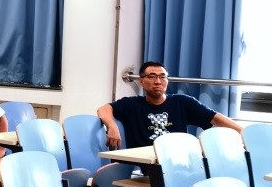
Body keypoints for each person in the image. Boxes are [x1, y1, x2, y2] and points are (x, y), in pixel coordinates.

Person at [98, 61, 243, 149]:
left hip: (180, 158)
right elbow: (104, 109)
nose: (158, 81)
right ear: (142, 81)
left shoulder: (182, 102)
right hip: (150, 162)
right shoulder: (132, 104)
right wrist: (112, 126)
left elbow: (214, 117)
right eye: (152, 77)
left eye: (162, 77)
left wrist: (243, 132)